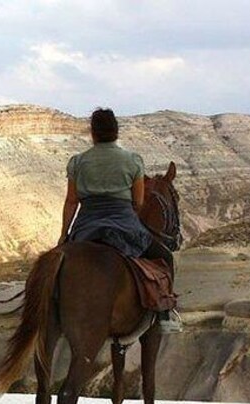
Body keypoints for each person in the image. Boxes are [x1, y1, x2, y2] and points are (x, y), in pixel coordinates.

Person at [58, 108, 182, 333]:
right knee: (165, 256)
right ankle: (165, 313)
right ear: (116, 132)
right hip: (124, 226)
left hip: (86, 226)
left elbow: (71, 202)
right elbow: (138, 203)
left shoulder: (77, 162)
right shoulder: (133, 161)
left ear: (92, 133)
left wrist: (63, 235)